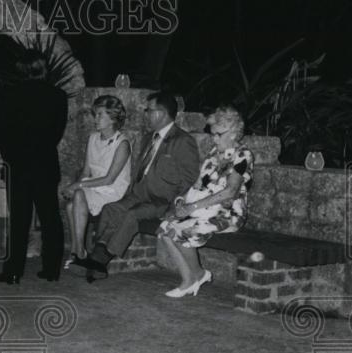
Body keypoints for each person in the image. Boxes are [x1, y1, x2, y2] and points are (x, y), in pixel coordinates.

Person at [73, 91, 200, 278]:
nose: (146, 114)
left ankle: (101, 260)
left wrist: (175, 207)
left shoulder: (182, 140)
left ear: (162, 113)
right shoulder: (149, 137)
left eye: (149, 110)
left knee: (132, 216)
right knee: (111, 209)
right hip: (138, 194)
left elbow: (190, 179)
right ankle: (98, 251)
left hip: (161, 201)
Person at [158, 106, 254, 297]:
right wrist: (181, 202)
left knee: (184, 231)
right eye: (213, 134)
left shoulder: (243, 155)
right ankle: (191, 279)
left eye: (218, 134)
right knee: (164, 228)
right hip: (204, 209)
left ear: (234, 133)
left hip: (228, 214)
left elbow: (230, 192)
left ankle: (197, 276)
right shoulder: (213, 153)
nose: (214, 139)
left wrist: (193, 207)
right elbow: (198, 184)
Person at [0, 50, 68, 283]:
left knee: (18, 220)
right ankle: (51, 270)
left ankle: (13, 271)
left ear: (22, 68)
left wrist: (11, 156)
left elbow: (1, 133)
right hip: (45, 163)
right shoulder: (58, 96)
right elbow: (57, 132)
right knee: (50, 218)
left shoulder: (10, 94)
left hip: (17, 165)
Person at [64, 95, 131, 269]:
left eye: (100, 115)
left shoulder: (122, 144)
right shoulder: (93, 138)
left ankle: (78, 252)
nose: (95, 119)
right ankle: (78, 251)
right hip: (93, 188)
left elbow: (110, 179)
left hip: (111, 190)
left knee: (77, 196)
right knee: (71, 205)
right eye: (95, 114)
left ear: (113, 118)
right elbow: (86, 172)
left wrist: (77, 186)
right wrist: (76, 186)